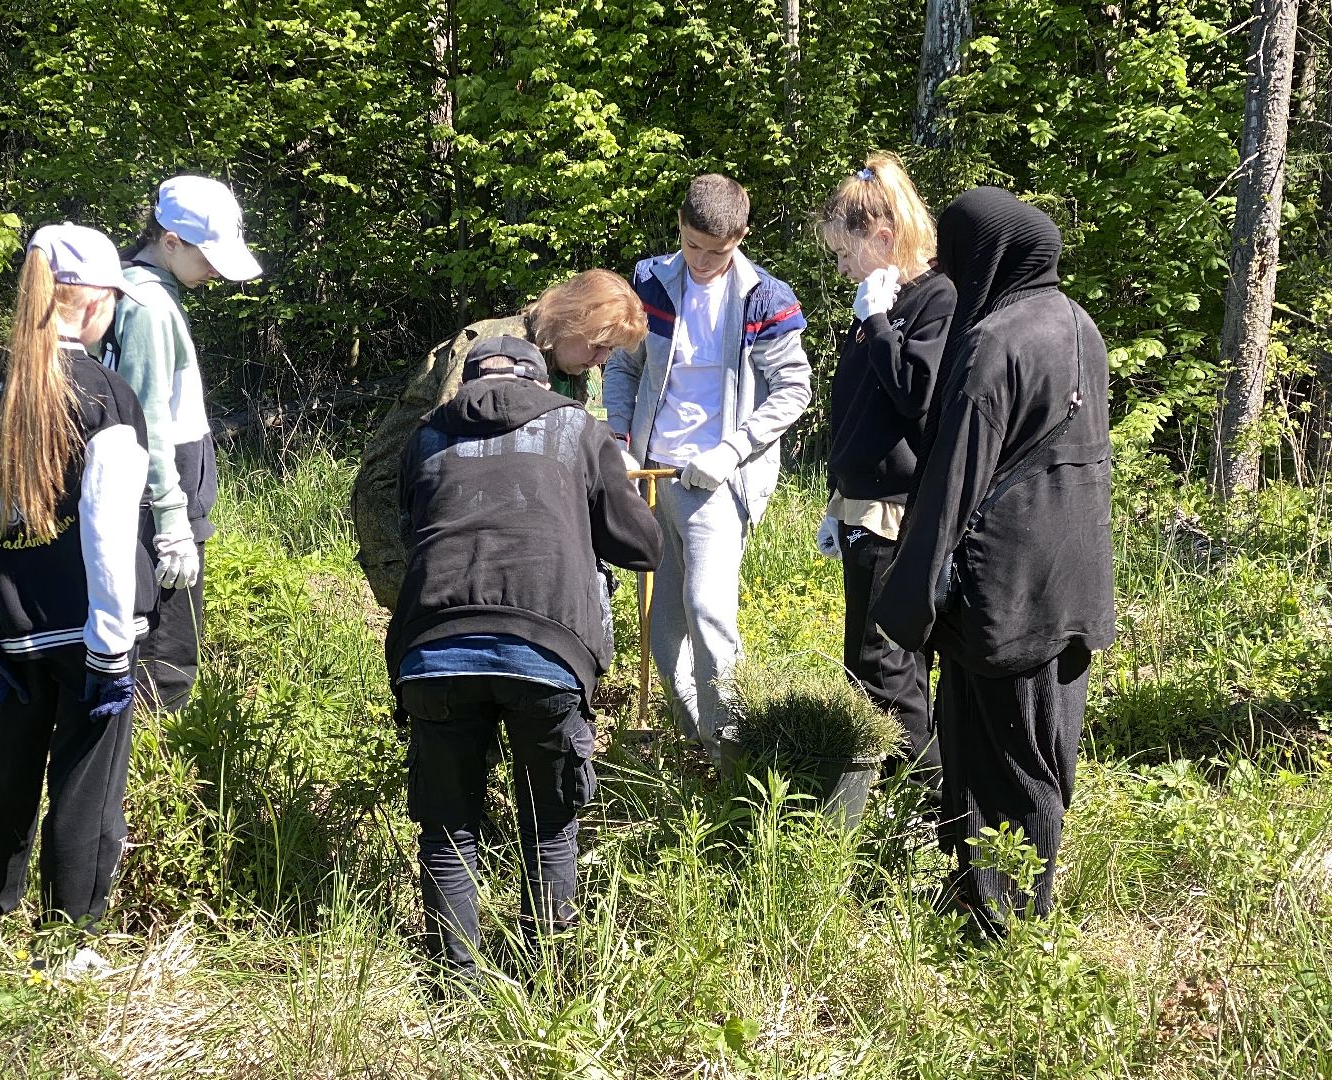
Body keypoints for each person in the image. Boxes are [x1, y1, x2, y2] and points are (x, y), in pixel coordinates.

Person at [873, 188, 1114, 936]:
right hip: (1074, 583)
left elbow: (955, 477)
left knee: (989, 751)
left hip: (1002, 587)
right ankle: (1009, 903)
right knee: (1046, 749)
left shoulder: (996, 338)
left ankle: (999, 920)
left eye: (957, 250)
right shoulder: (1081, 325)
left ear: (989, 255)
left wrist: (906, 599)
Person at [387, 335, 660, 990]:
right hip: (549, 648)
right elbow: (641, 546)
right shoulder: (578, 430)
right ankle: (552, 987)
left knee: (448, 834)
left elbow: (410, 530)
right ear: (542, 383)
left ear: (469, 379)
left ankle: (455, 992)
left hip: (434, 650)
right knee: (550, 831)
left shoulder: (424, 435)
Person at [0, 223, 155, 974]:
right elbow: (109, 527)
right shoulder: (106, 393)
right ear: (93, 304)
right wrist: (112, 640)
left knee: (5, 778)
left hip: (7, 629)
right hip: (88, 630)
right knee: (87, 791)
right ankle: (70, 951)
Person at [605, 174, 811, 763]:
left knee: (710, 615)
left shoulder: (764, 299)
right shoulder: (651, 282)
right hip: (651, 475)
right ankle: (703, 743)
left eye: (716, 252)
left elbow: (794, 389)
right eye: (693, 245)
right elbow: (622, 369)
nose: (701, 261)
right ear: (680, 226)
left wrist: (731, 450)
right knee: (662, 632)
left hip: (717, 481)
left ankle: (738, 756)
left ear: (740, 237)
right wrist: (620, 440)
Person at [353, 269, 648, 609]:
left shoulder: (585, 375)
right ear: (571, 319)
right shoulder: (492, 349)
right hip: (410, 516)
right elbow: (454, 457)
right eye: (598, 345)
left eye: (610, 351)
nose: (602, 359)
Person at [816, 152, 957, 812]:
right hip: (859, 505)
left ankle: (933, 815)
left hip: (896, 515)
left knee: (889, 667)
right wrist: (834, 495)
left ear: (881, 237)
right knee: (864, 667)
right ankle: (892, 804)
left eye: (846, 253)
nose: (841, 268)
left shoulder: (933, 299)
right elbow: (859, 414)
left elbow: (916, 400)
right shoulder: (882, 301)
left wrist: (877, 324)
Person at [109, 175, 263, 712]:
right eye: (210, 257)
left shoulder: (134, 290)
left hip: (159, 489)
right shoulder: (149, 307)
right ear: (170, 241)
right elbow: (145, 418)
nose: (218, 271)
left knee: (146, 637)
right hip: (161, 493)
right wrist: (173, 520)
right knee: (165, 650)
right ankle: (153, 769)